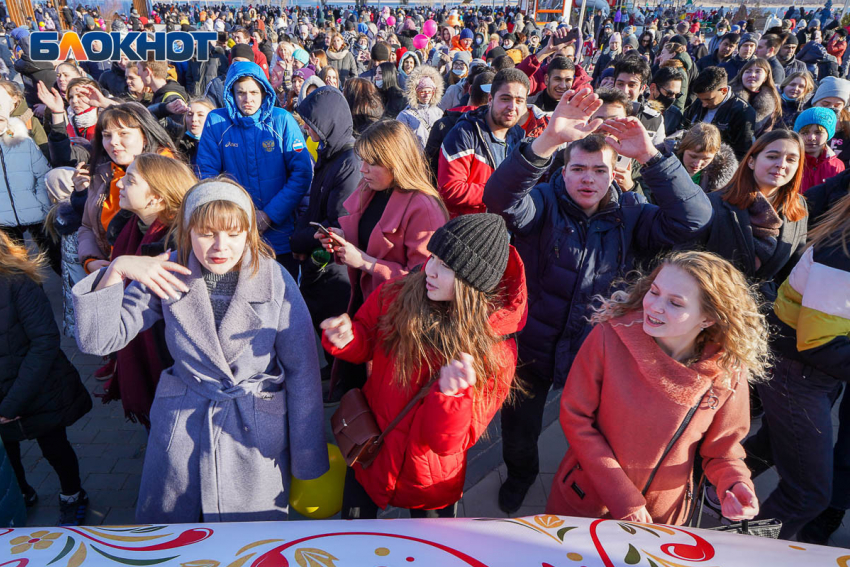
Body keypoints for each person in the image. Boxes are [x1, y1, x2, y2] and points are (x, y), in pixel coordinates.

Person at [483, 88, 713, 513]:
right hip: (532, 347)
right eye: (578, 169)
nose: (588, 179)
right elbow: (498, 200)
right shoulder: (544, 204)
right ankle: (520, 476)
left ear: (615, 174)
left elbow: (695, 217)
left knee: (596, 432)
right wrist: (546, 140)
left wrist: (653, 156)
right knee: (519, 429)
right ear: (563, 171)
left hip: (596, 353)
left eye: (598, 170)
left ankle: (588, 488)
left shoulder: (632, 215)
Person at [72, 179, 330, 523]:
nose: (220, 246)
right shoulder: (167, 271)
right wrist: (117, 269)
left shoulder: (274, 279)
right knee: (173, 538)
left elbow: (303, 372)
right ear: (188, 231)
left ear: (249, 233)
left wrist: (306, 457)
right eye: (207, 233)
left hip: (252, 431)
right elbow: (97, 341)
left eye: (234, 233)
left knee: (249, 546)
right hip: (183, 424)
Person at [321, 213, 526, 519]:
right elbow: (366, 339)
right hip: (373, 453)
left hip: (429, 480)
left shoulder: (495, 351)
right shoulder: (398, 293)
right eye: (434, 257)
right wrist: (347, 338)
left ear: (473, 283)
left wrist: (452, 399)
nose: (429, 270)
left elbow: (449, 444)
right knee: (353, 540)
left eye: (445, 266)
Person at [546, 250, 767, 525]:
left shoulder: (726, 372)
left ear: (708, 318)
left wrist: (735, 483)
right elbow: (576, 419)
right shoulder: (609, 337)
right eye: (654, 291)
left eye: (675, 303)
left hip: (663, 516)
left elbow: (723, 450)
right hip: (586, 502)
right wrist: (624, 499)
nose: (654, 306)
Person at [314, 120, 447, 396]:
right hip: (366, 311)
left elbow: (425, 280)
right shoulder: (371, 190)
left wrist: (364, 262)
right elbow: (368, 239)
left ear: (396, 162)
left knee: (377, 403)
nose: (362, 169)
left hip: (397, 325)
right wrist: (341, 239)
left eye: (372, 163)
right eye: (362, 160)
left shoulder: (424, 206)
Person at [746, 190, 850, 541]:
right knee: (807, 494)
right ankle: (742, 549)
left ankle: (686, 483)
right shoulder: (843, 251)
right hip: (799, 373)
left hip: (807, 372)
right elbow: (819, 342)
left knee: (772, 447)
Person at [0, 230, 91, 525]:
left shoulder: (17, 283)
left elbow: (44, 342)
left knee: (55, 447)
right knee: (8, 455)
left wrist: (11, 404)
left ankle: (73, 495)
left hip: (38, 390)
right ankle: (21, 493)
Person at [196, 61, 313, 278]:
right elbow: (206, 176)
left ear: (264, 92)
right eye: (240, 92)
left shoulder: (282, 120)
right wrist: (235, 217)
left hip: (280, 232)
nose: (247, 99)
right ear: (231, 93)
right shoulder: (216, 122)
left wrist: (270, 214)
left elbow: (302, 173)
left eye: (253, 92)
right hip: (234, 232)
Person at [103, 154, 196, 425]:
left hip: (171, 364)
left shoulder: (177, 244)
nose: (120, 185)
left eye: (130, 180)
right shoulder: (131, 226)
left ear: (156, 197)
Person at [690, 129, 808, 304]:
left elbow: (794, 270)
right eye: (772, 156)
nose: (781, 164)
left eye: (791, 159)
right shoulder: (713, 203)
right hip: (713, 304)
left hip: (767, 312)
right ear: (751, 161)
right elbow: (688, 259)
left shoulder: (799, 206)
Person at [292, 86, 361, 376]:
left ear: (329, 123)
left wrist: (301, 240)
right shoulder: (330, 154)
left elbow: (338, 224)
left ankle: (341, 381)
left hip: (334, 265)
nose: (308, 132)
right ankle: (333, 372)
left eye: (312, 126)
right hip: (321, 259)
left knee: (337, 324)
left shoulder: (349, 162)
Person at [73, 102, 177, 275]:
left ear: (145, 136)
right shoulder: (101, 174)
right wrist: (90, 260)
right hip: (107, 268)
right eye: (107, 135)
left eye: (123, 134)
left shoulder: (167, 175)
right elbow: (87, 226)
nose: (113, 142)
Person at [438, 68, 528, 218]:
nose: (512, 107)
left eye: (519, 101)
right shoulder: (464, 133)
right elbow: (450, 189)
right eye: (505, 99)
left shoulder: (519, 137)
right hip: (469, 231)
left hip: (505, 231)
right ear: (491, 99)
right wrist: (500, 193)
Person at [684, 66, 756, 160]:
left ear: (724, 91)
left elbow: (742, 152)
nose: (704, 104)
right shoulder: (699, 102)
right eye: (700, 99)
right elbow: (685, 127)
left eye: (708, 99)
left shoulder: (743, 112)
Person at [671, 122, 739, 193]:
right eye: (693, 156)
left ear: (715, 155)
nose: (697, 164)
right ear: (682, 149)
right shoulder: (665, 164)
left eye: (706, 159)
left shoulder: (722, 178)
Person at [794, 107, 845, 193]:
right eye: (805, 133)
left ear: (828, 135)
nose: (811, 138)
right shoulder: (790, 162)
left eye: (818, 132)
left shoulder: (837, 166)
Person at [730, 58, 781, 137]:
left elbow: (766, 133)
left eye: (758, 71)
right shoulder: (729, 95)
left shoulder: (772, 100)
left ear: (765, 77)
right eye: (748, 71)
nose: (752, 75)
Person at [398, 65, 444, 147]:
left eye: (429, 92)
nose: (427, 95)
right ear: (415, 92)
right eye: (423, 92)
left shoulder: (439, 113)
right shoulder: (405, 115)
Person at [810, 76, 850, 166]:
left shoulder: (847, 128)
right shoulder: (803, 123)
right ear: (815, 103)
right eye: (825, 104)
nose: (831, 109)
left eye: (837, 105)